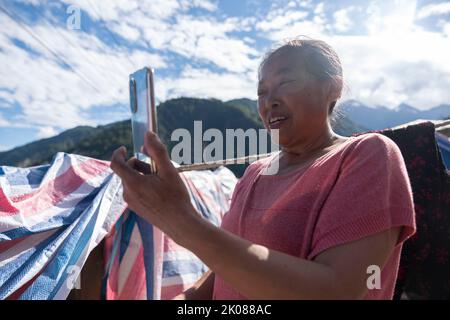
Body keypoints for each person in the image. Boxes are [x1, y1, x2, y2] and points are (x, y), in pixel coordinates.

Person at [110, 38, 416, 299]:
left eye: (285, 83)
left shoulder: (367, 155)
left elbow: (336, 290)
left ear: (332, 89)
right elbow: (223, 275)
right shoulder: (254, 174)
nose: (268, 102)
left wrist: (181, 220)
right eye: (261, 92)